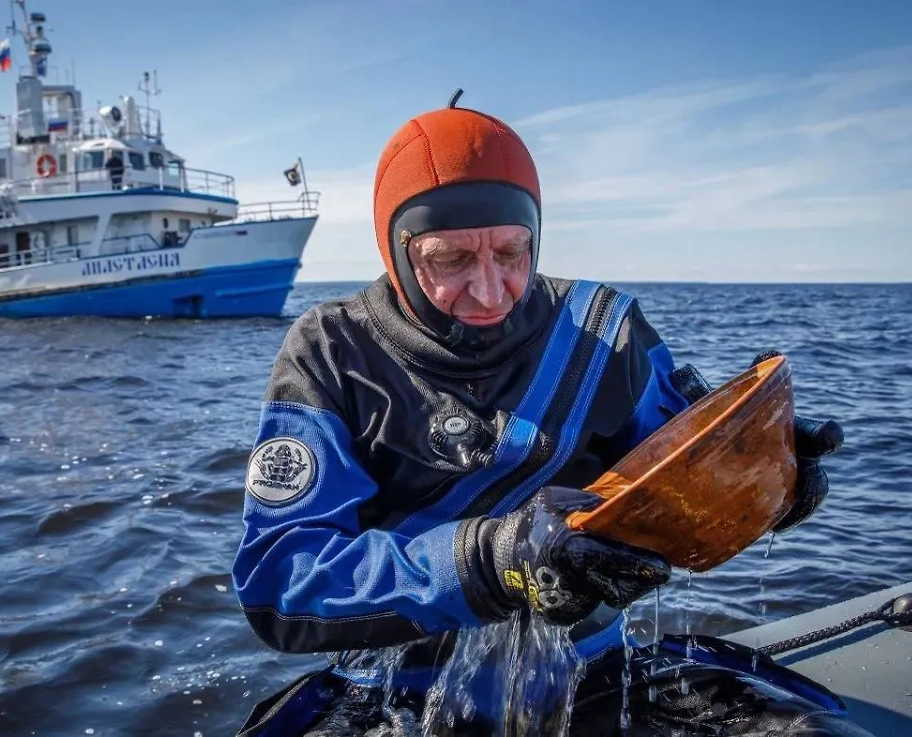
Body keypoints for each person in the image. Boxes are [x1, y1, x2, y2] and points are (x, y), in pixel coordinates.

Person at [232, 93, 854, 736]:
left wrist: (762, 480)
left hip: (591, 668)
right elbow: (281, 582)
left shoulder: (603, 330)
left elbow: (678, 489)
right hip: (396, 685)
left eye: (511, 253)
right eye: (449, 260)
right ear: (396, 249)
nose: (488, 289)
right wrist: (486, 561)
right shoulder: (334, 350)